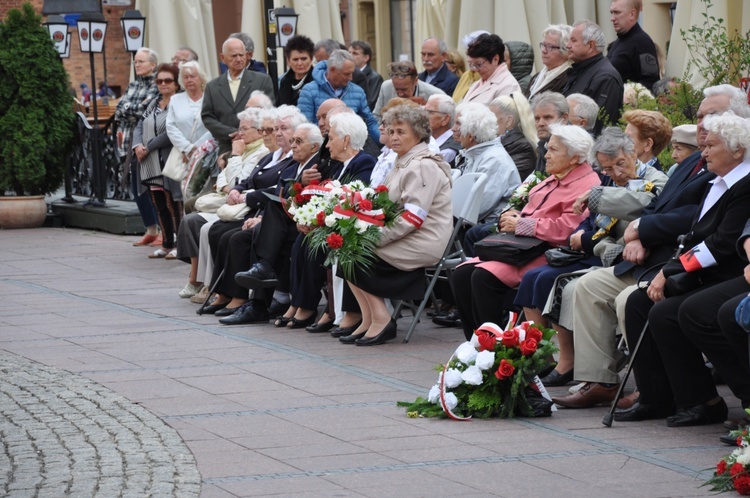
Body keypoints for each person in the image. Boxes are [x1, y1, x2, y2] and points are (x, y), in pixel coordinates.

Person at [548, 84, 748, 410]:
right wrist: (640, 232)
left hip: (688, 263)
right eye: (699, 116)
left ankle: (677, 395)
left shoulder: (734, 174)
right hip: (663, 257)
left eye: (712, 116)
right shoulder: (695, 162)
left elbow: (702, 229)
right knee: (585, 287)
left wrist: (661, 255)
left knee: (647, 303)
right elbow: (659, 206)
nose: (701, 125)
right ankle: (607, 383)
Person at [618, 112, 750, 426]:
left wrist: (673, 270)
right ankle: (658, 397)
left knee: (682, 311)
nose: (703, 152)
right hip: (704, 269)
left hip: (727, 271)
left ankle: (713, 400)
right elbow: (694, 233)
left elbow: (720, 244)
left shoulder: (743, 186)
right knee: (640, 302)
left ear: (737, 151)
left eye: (711, 146)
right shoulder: (716, 181)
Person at [517, 127, 667, 387]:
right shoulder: (609, 181)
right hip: (607, 256)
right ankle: (558, 363)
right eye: (608, 169)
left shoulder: (656, 179)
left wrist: (595, 224)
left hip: (638, 263)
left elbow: (640, 203)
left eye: (620, 163)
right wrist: (597, 244)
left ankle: (576, 364)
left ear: (634, 153)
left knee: (562, 283)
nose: (616, 173)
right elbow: (594, 225)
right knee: (535, 278)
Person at [451, 124, 600, 340]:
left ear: (575, 157)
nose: (546, 155)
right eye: (547, 149)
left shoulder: (586, 184)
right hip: (521, 248)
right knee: (461, 274)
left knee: (482, 277)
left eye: (553, 150)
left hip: (547, 253)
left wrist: (521, 224)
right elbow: (531, 209)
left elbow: (567, 230)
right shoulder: (557, 174)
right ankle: (476, 345)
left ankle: (495, 346)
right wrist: (513, 215)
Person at [229, 111, 376, 325]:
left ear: (345, 141)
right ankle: (292, 301)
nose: (327, 145)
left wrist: (315, 219)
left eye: (331, 138)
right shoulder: (335, 164)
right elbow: (312, 193)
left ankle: (300, 302)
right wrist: (305, 208)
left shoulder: (363, 162)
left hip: (339, 228)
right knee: (288, 234)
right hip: (320, 224)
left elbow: (351, 201)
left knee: (302, 243)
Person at [336, 105, 451, 346]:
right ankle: (369, 318)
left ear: (418, 134)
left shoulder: (422, 165)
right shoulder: (404, 161)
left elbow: (413, 218)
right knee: (346, 248)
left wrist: (373, 236)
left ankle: (382, 319)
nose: (394, 137)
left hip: (422, 240)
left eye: (401, 132)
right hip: (404, 235)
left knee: (355, 252)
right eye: (392, 131)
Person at [175, 107, 272, 300]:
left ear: (258, 130)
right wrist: (229, 187)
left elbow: (238, 180)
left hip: (243, 207)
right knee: (192, 220)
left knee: (203, 225)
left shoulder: (260, 151)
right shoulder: (243, 148)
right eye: (239, 128)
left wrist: (234, 157)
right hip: (229, 201)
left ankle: (209, 284)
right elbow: (222, 179)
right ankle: (199, 280)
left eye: (245, 129)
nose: (240, 133)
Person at [134, 63, 184, 259]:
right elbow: (140, 125)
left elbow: (172, 131)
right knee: (159, 203)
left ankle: (181, 245)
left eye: (168, 81)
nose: (163, 84)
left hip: (168, 159)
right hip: (150, 163)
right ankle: (166, 243)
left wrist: (149, 146)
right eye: (159, 81)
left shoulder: (179, 103)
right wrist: (137, 145)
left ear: (176, 84)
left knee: (174, 202)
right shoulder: (153, 103)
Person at [115, 47, 161, 247]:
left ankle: (162, 230)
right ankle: (150, 229)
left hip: (147, 144)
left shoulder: (157, 85)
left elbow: (145, 111)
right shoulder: (132, 85)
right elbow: (118, 110)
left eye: (141, 61)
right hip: (128, 144)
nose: (137, 65)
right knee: (136, 189)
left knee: (152, 188)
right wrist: (128, 108)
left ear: (153, 64)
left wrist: (127, 108)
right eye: (135, 62)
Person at [202, 38, 275, 155]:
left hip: (256, 147)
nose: (239, 59)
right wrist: (233, 133)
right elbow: (207, 117)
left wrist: (248, 131)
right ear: (222, 58)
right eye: (234, 56)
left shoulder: (262, 80)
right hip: (226, 147)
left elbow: (268, 112)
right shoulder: (212, 86)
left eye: (242, 55)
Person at [452, 102, 521, 223]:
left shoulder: (495, 160)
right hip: (471, 223)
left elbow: (477, 208)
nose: (453, 129)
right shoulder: (476, 154)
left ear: (470, 136)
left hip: (488, 226)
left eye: (459, 125)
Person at [297, 49, 380, 143]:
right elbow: (305, 126)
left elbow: (370, 122)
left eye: (352, 73)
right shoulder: (309, 91)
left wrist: (384, 142)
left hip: (350, 148)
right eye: (347, 74)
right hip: (320, 150)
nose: (351, 78)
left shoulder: (357, 92)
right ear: (332, 70)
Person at [562, 20, 624, 133]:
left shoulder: (606, 77)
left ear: (590, 46)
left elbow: (601, 124)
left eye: (573, 40)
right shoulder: (581, 69)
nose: (568, 45)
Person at [166, 61, 212, 173]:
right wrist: (187, 149)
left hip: (209, 154)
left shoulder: (211, 98)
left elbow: (214, 125)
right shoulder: (175, 100)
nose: (189, 80)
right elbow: (170, 127)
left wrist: (197, 149)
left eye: (193, 76)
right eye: (185, 77)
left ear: (201, 78)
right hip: (183, 156)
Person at [606, 0, 660, 92]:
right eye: (611, 13)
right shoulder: (619, 41)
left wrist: (627, 97)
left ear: (632, 14)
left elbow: (651, 82)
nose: (612, 18)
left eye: (617, 12)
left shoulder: (642, 42)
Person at [488, 92, 538, 179]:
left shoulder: (522, 148)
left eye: (491, 118)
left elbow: (504, 181)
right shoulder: (492, 142)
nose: (486, 122)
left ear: (508, 121)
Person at [373, 61, 444, 121]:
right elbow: (376, 117)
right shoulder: (386, 87)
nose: (400, 94)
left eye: (404, 89)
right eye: (396, 89)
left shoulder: (435, 95)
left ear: (416, 81)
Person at [462, 34, 521, 105]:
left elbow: (501, 115)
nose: (475, 70)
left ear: (495, 59)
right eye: (472, 64)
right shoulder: (478, 83)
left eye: (479, 64)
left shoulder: (508, 86)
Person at [526, 25, 572, 99]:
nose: (544, 50)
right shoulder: (537, 76)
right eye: (544, 45)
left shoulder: (568, 79)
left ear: (565, 50)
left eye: (550, 47)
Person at [276, 35, 315, 107]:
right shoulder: (284, 81)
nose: (299, 63)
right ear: (288, 61)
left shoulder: (316, 80)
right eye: (295, 59)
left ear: (311, 59)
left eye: (303, 59)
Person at [425, 94, 462, 165]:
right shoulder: (425, 138)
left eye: (429, 112)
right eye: (424, 110)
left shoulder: (448, 150)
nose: (423, 115)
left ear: (445, 119)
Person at [349, 40, 383, 111]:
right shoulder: (346, 74)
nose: (350, 56)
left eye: (355, 53)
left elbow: (371, 103)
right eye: (349, 52)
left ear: (366, 58)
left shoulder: (375, 78)